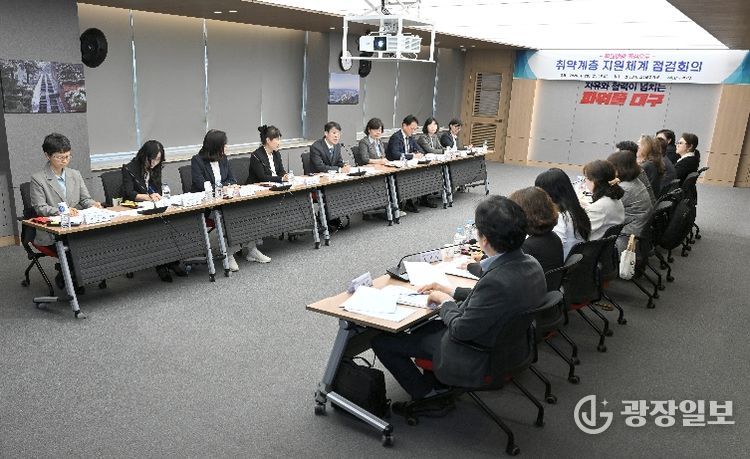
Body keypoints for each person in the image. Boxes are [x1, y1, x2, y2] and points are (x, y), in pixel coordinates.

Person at [371, 196, 546, 404]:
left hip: (477, 352)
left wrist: (445, 302)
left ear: (484, 240)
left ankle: (426, 395)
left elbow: (460, 330)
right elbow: (491, 300)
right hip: (510, 344)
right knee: (424, 328)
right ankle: (436, 382)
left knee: (383, 341)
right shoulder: (531, 263)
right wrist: (450, 290)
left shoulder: (496, 281)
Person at [30, 133, 102, 293]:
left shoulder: (75, 174)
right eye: (59, 157)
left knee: (97, 239)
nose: (64, 160)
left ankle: (78, 275)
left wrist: (93, 204)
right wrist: (64, 211)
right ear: (47, 156)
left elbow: (85, 199)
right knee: (74, 245)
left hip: (76, 226)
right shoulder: (38, 179)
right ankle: (71, 278)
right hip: (53, 230)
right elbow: (40, 208)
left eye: (67, 156)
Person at [122, 140, 187, 282]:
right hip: (138, 209)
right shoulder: (129, 168)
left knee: (170, 221)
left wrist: (156, 195)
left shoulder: (156, 167)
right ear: (144, 155)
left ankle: (172, 260)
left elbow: (157, 189)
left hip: (154, 206)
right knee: (157, 227)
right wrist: (147, 196)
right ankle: (161, 265)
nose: (154, 163)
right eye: (152, 159)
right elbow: (129, 193)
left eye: (158, 160)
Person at [190, 129, 243, 271]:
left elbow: (232, 179)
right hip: (207, 205)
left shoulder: (223, 158)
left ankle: (251, 248)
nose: (226, 147)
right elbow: (201, 185)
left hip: (224, 201)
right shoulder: (197, 160)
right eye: (224, 144)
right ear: (216, 146)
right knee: (225, 215)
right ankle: (229, 255)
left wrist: (223, 187)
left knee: (243, 210)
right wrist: (224, 187)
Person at [508, 187, 564, 282]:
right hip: (548, 287)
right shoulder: (553, 237)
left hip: (531, 289)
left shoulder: (527, 247)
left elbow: (506, 275)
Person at [534, 168, 591, 259]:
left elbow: (554, 247)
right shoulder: (576, 210)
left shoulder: (560, 217)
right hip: (574, 260)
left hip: (561, 262)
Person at [607, 151, 654, 253]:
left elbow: (606, 209)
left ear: (619, 169)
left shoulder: (625, 188)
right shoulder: (635, 181)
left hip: (627, 237)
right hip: (638, 229)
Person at [580, 160, 625, 240]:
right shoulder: (614, 198)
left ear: (595, 181)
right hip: (603, 243)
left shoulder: (600, 207)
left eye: (586, 178)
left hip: (590, 244)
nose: (585, 181)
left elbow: (580, 232)